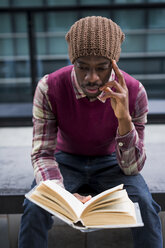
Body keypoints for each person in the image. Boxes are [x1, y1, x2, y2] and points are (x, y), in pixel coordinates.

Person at [18, 16, 163, 248]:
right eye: (82, 67)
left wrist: (124, 118)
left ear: (114, 63)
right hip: (65, 160)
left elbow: (132, 168)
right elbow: (42, 153)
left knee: (145, 205)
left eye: (102, 68)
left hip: (112, 162)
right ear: (72, 62)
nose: (92, 78)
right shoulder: (49, 88)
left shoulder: (135, 92)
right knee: (36, 206)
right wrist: (61, 195)